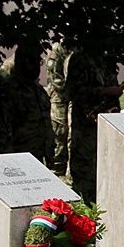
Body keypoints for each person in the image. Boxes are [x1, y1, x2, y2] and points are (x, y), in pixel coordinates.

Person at [65, 50, 124, 202]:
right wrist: (106, 91)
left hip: (107, 124)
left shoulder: (107, 58)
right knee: (86, 177)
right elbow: (73, 91)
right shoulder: (80, 58)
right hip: (86, 128)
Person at [0, 41, 53, 164]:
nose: (36, 67)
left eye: (37, 62)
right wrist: (9, 157)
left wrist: (49, 150)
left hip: (37, 156)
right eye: (32, 62)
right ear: (21, 62)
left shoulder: (37, 90)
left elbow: (45, 123)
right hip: (16, 158)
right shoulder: (7, 90)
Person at [46, 40, 72, 176]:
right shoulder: (57, 49)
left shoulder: (75, 47)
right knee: (60, 131)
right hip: (59, 98)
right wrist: (71, 91)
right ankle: (56, 167)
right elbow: (56, 78)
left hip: (70, 97)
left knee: (70, 134)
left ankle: (65, 166)